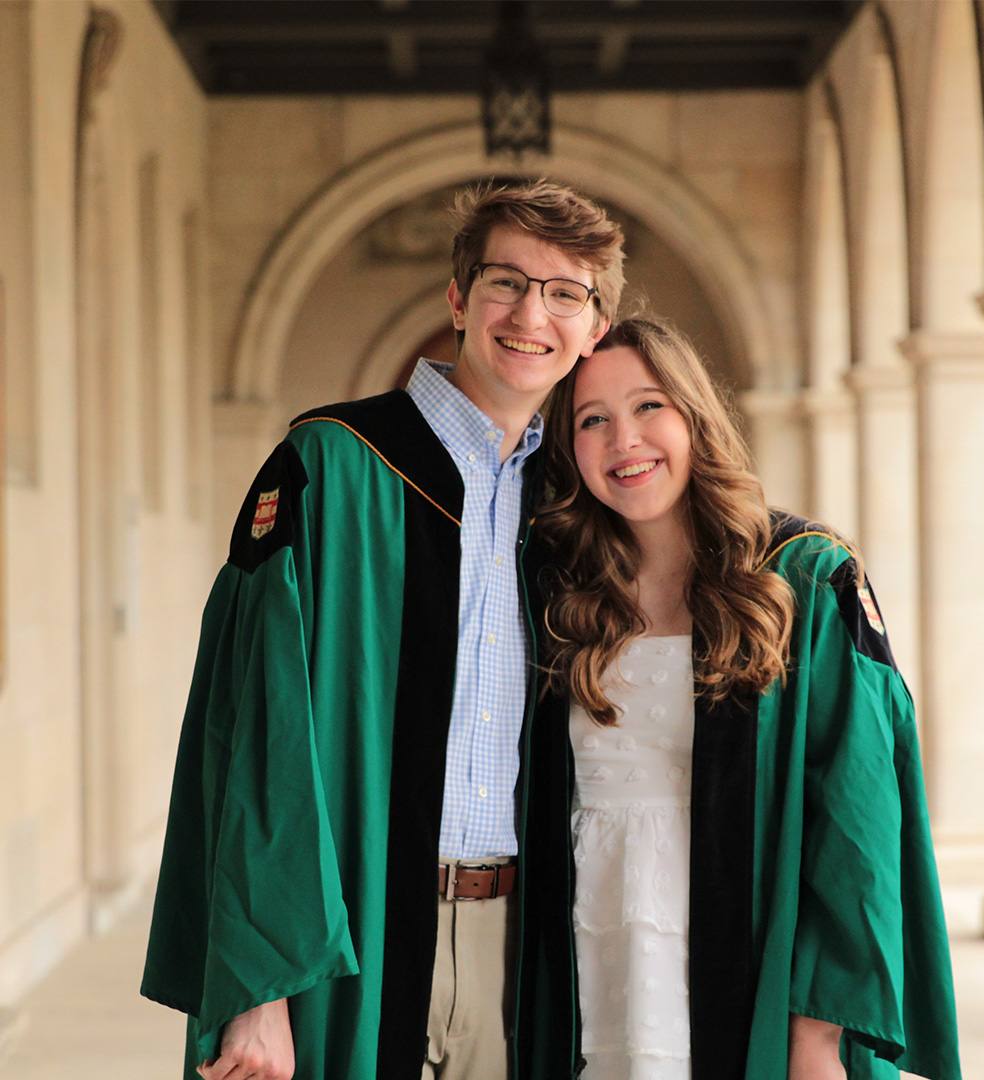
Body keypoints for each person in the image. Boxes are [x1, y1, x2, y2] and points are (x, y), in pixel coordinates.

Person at [141, 179, 624, 1080]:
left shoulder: (574, 506)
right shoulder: (329, 466)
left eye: (566, 294)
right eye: (506, 282)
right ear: (457, 299)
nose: (532, 313)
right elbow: (257, 739)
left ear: (594, 329)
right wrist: (258, 986)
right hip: (345, 931)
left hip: (519, 943)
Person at [526, 318, 962, 1080]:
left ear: (695, 415)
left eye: (649, 406)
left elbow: (857, 824)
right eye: (592, 420)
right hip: (588, 959)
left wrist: (817, 1035)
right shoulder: (558, 592)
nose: (624, 439)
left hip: (739, 968)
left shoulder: (799, 577)